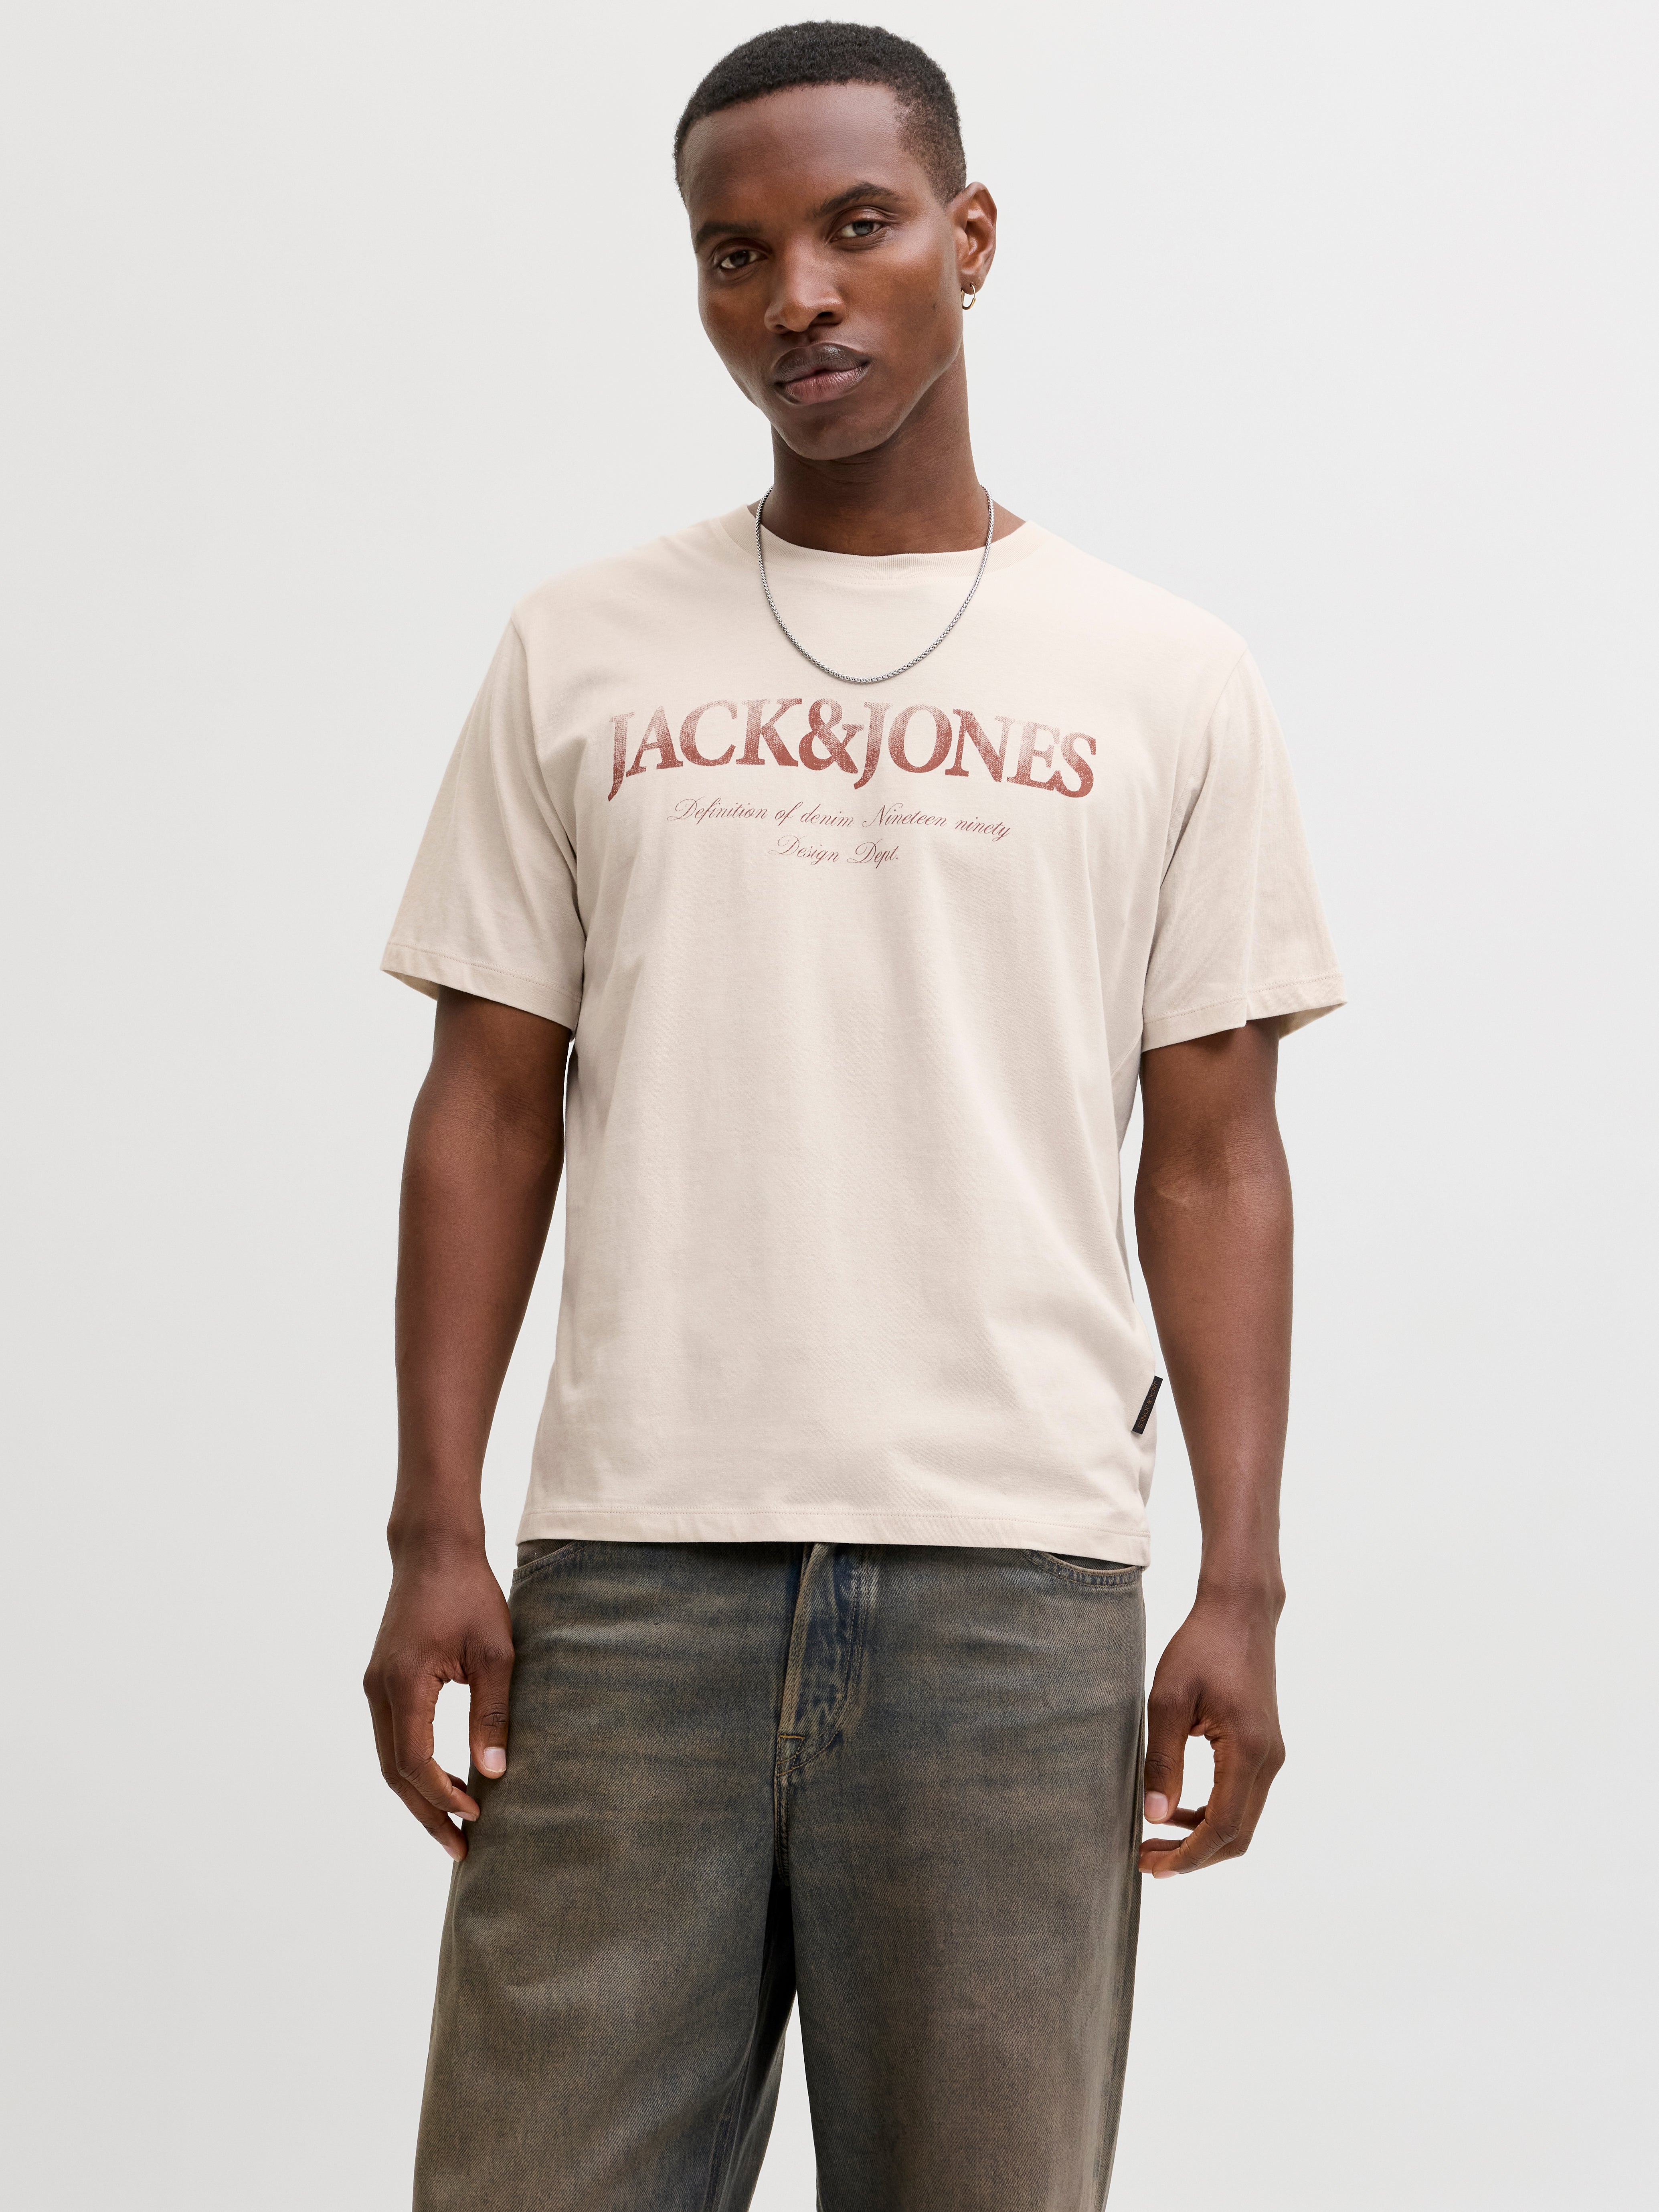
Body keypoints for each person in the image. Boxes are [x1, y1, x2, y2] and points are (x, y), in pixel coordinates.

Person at [364, 20, 1344, 2210]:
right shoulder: (580, 651)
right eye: (734, 253)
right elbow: (488, 1107)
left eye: (856, 226)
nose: (795, 293)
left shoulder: (1165, 675)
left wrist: (1244, 1581)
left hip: (1015, 1596)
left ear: (969, 237)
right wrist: (437, 1532)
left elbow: (1216, 1153)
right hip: (631, 1586)